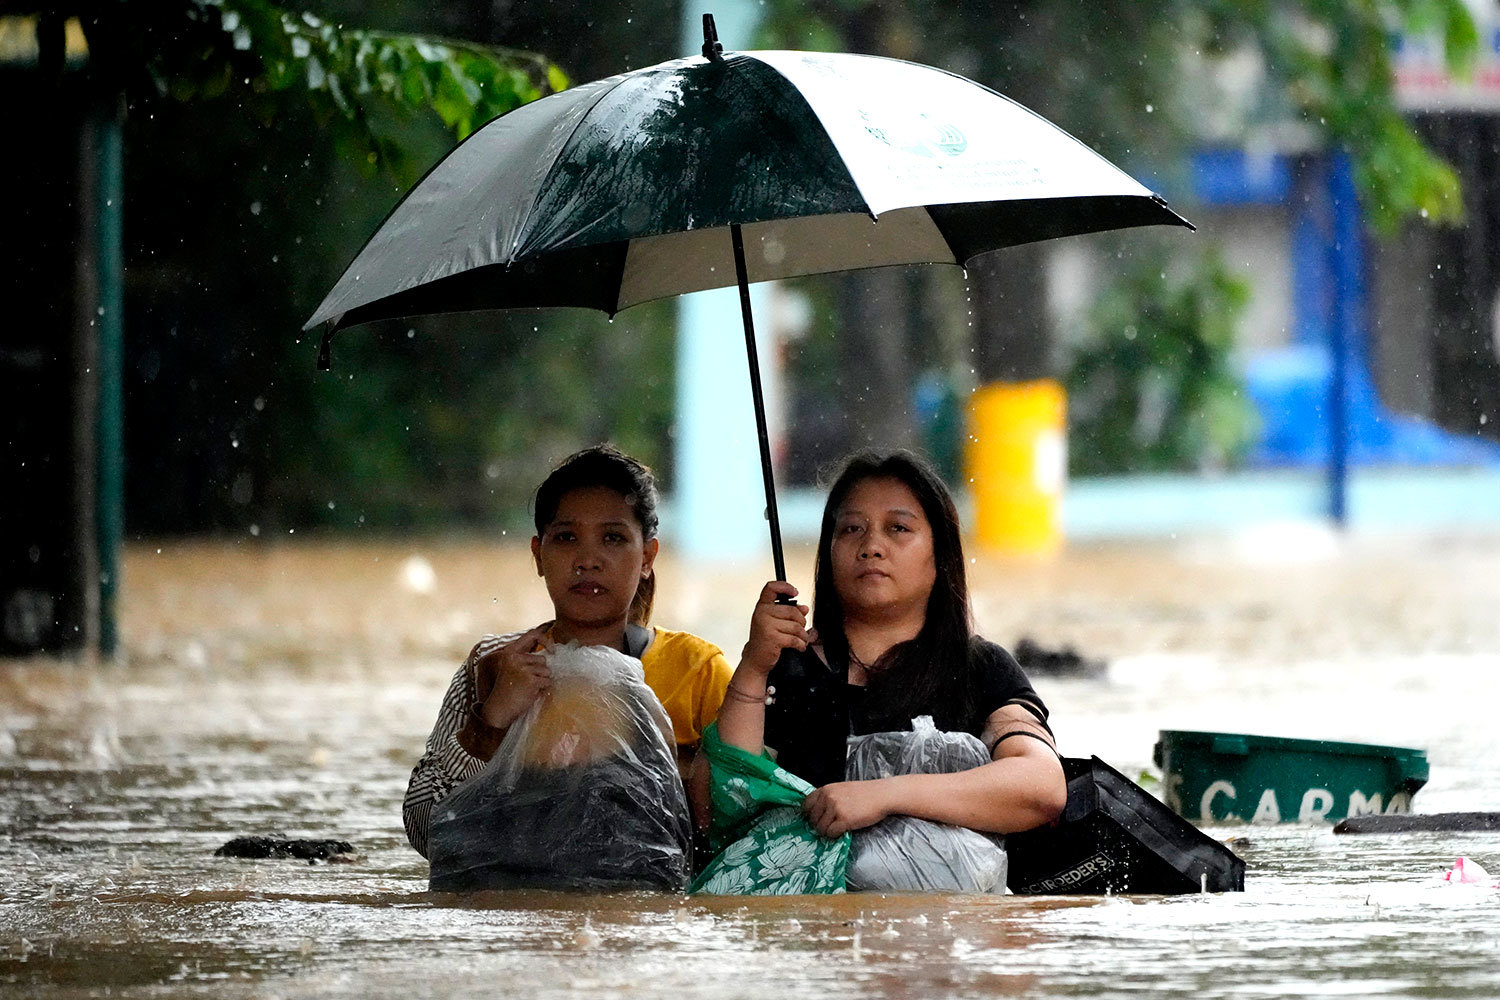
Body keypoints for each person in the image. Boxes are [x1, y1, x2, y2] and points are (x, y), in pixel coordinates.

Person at [711, 450, 1066, 845]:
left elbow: (1042, 786)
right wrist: (753, 667)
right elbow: (723, 809)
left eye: (898, 528)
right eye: (851, 530)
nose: (871, 546)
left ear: (941, 556)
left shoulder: (977, 668)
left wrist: (884, 796)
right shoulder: (786, 669)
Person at [403, 445, 733, 863]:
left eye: (613, 538)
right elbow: (424, 830)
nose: (588, 560)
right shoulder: (494, 665)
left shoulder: (697, 671)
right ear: (539, 555)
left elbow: (742, 827)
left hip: (642, 919)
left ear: (647, 557)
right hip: (520, 916)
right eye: (566, 538)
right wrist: (492, 721)